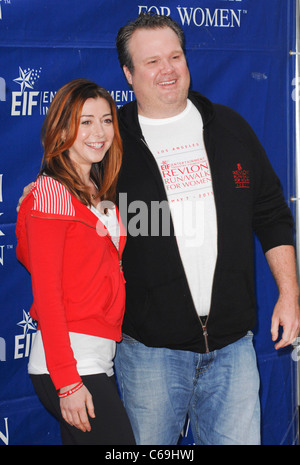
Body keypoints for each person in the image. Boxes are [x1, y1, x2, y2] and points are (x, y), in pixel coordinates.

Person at [17, 13, 300, 446]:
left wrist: (290, 292)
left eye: (175, 56)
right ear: (128, 74)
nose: (167, 69)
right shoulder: (112, 145)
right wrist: (34, 201)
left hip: (234, 350)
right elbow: (61, 219)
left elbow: (271, 212)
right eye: (151, 62)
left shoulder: (231, 127)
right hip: (148, 355)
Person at [16, 78, 135, 445]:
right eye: (85, 122)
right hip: (72, 364)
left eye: (106, 120)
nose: (99, 132)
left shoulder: (94, 192)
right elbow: (48, 293)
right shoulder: (50, 194)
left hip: (96, 358)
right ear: (62, 128)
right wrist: (67, 382)